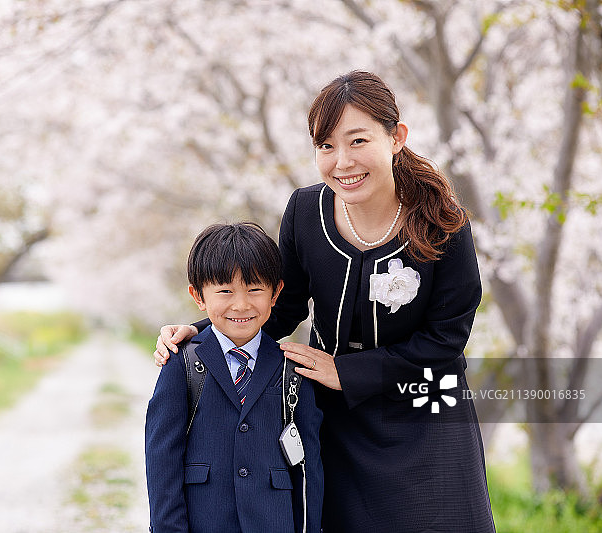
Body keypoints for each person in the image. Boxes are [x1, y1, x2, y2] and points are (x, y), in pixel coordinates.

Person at [155, 71, 496, 532]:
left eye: (358, 141)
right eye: (326, 146)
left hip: (425, 410)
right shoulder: (304, 211)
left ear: (396, 138)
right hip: (336, 413)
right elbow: (283, 306)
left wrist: (347, 372)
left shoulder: (442, 222)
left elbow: (446, 339)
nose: (343, 162)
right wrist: (200, 332)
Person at [145, 222, 324, 533]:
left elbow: (309, 466)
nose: (241, 304)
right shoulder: (183, 362)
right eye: (225, 291)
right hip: (205, 521)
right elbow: (162, 459)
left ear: (276, 292)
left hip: (274, 522)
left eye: (255, 289)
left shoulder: (292, 369)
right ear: (198, 296)